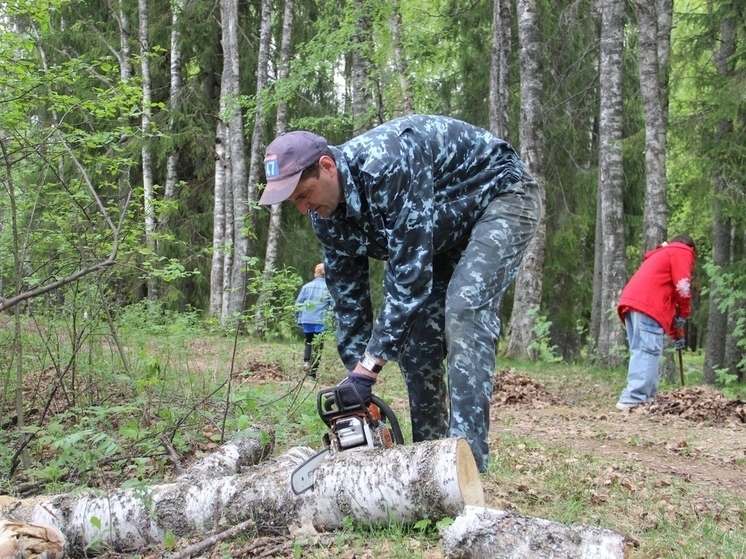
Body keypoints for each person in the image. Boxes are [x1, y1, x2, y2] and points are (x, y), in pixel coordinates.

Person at [259, 114, 542, 473]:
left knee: (464, 309)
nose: (303, 209)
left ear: (327, 167)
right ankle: (428, 465)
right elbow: (349, 303)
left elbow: (409, 281)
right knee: (417, 338)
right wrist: (357, 384)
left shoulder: (386, 164)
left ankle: (467, 466)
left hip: (500, 196)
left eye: (304, 195)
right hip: (440, 231)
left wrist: (371, 367)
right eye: (294, 203)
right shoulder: (325, 216)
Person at [615, 235, 696, 411]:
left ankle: (647, 398)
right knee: (648, 351)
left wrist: (677, 333)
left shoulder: (662, 255)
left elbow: (670, 298)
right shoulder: (681, 251)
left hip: (633, 303)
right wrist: (684, 312)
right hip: (648, 305)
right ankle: (634, 399)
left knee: (642, 350)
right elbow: (682, 287)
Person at [295, 262, 332, 380]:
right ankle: (312, 374)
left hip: (307, 319)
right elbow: (332, 306)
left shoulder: (306, 287)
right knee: (318, 346)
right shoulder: (329, 288)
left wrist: (298, 318)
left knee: (308, 340)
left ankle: (306, 361)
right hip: (321, 321)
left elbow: (298, 304)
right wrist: (332, 321)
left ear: (315, 273)